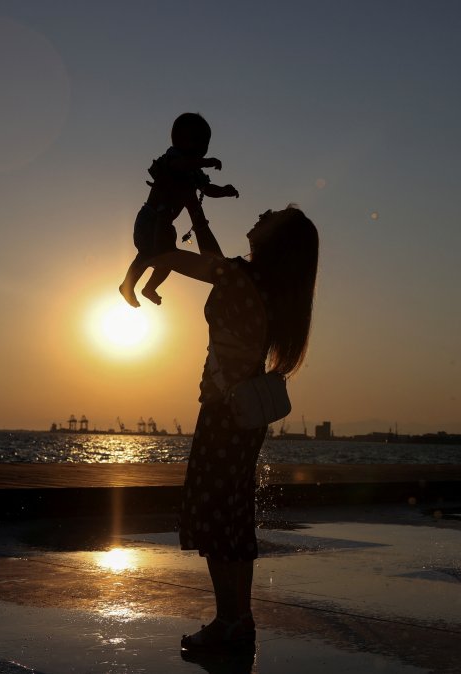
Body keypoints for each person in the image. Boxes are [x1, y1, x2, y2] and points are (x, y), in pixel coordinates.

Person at [144, 205, 319, 649]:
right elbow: (217, 265)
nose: (262, 212)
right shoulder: (264, 285)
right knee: (235, 515)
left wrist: (143, 262)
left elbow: (170, 256)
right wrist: (197, 212)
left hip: (223, 412)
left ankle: (228, 622)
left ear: (275, 239)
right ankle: (239, 619)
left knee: (216, 516)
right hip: (244, 415)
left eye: (271, 215)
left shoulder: (239, 277)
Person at [118, 112, 239, 308]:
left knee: (168, 258)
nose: (203, 148)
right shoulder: (173, 157)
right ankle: (127, 284)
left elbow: (207, 189)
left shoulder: (195, 173)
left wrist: (224, 191)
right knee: (147, 253)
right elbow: (179, 166)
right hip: (150, 219)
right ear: (180, 140)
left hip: (166, 224)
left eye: (206, 143)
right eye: (198, 141)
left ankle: (149, 287)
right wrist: (205, 162)